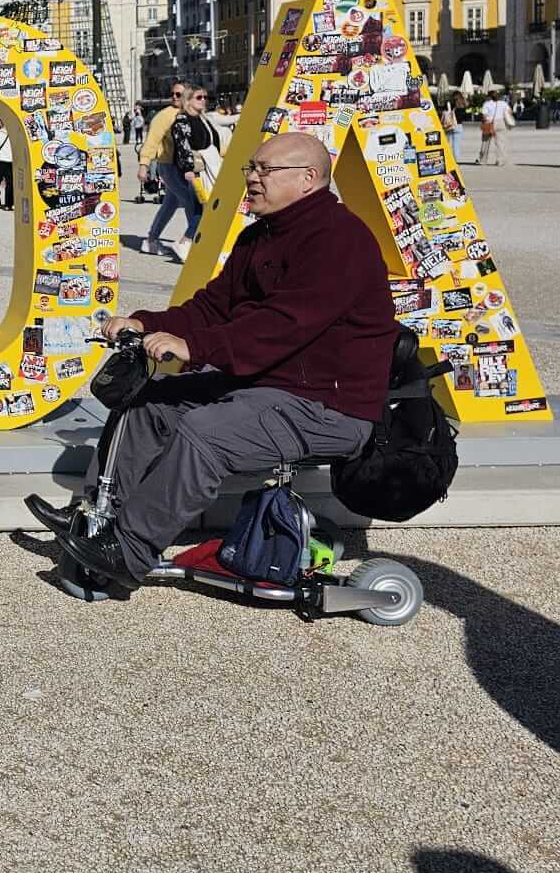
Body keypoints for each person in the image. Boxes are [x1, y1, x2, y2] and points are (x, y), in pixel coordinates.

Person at [46, 133, 397, 593]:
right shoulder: (260, 236)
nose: (252, 178)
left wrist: (195, 348)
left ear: (308, 179)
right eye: (251, 168)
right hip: (267, 384)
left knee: (205, 433)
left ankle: (127, 552)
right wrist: (145, 322)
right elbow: (210, 309)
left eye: (265, 170)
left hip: (327, 405)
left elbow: (283, 325)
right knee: (149, 402)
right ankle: (98, 517)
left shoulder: (340, 240)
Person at [145, 87, 211, 261]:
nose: (175, 97)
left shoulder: (195, 115)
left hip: (178, 167)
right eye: (173, 94)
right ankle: (188, 242)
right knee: (193, 203)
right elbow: (152, 141)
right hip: (170, 166)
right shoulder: (167, 116)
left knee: (170, 204)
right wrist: (144, 164)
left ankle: (151, 240)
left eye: (179, 94)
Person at [479, 91, 514, 166]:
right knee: (500, 143)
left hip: (489, 122)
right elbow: (510, 112)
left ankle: (483, 160)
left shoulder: (486, 104)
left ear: (489, 96)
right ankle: (500, 161)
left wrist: (484, 123)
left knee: (485, 142)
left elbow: (484, 116)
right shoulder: (503, 103)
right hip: (501, 122)